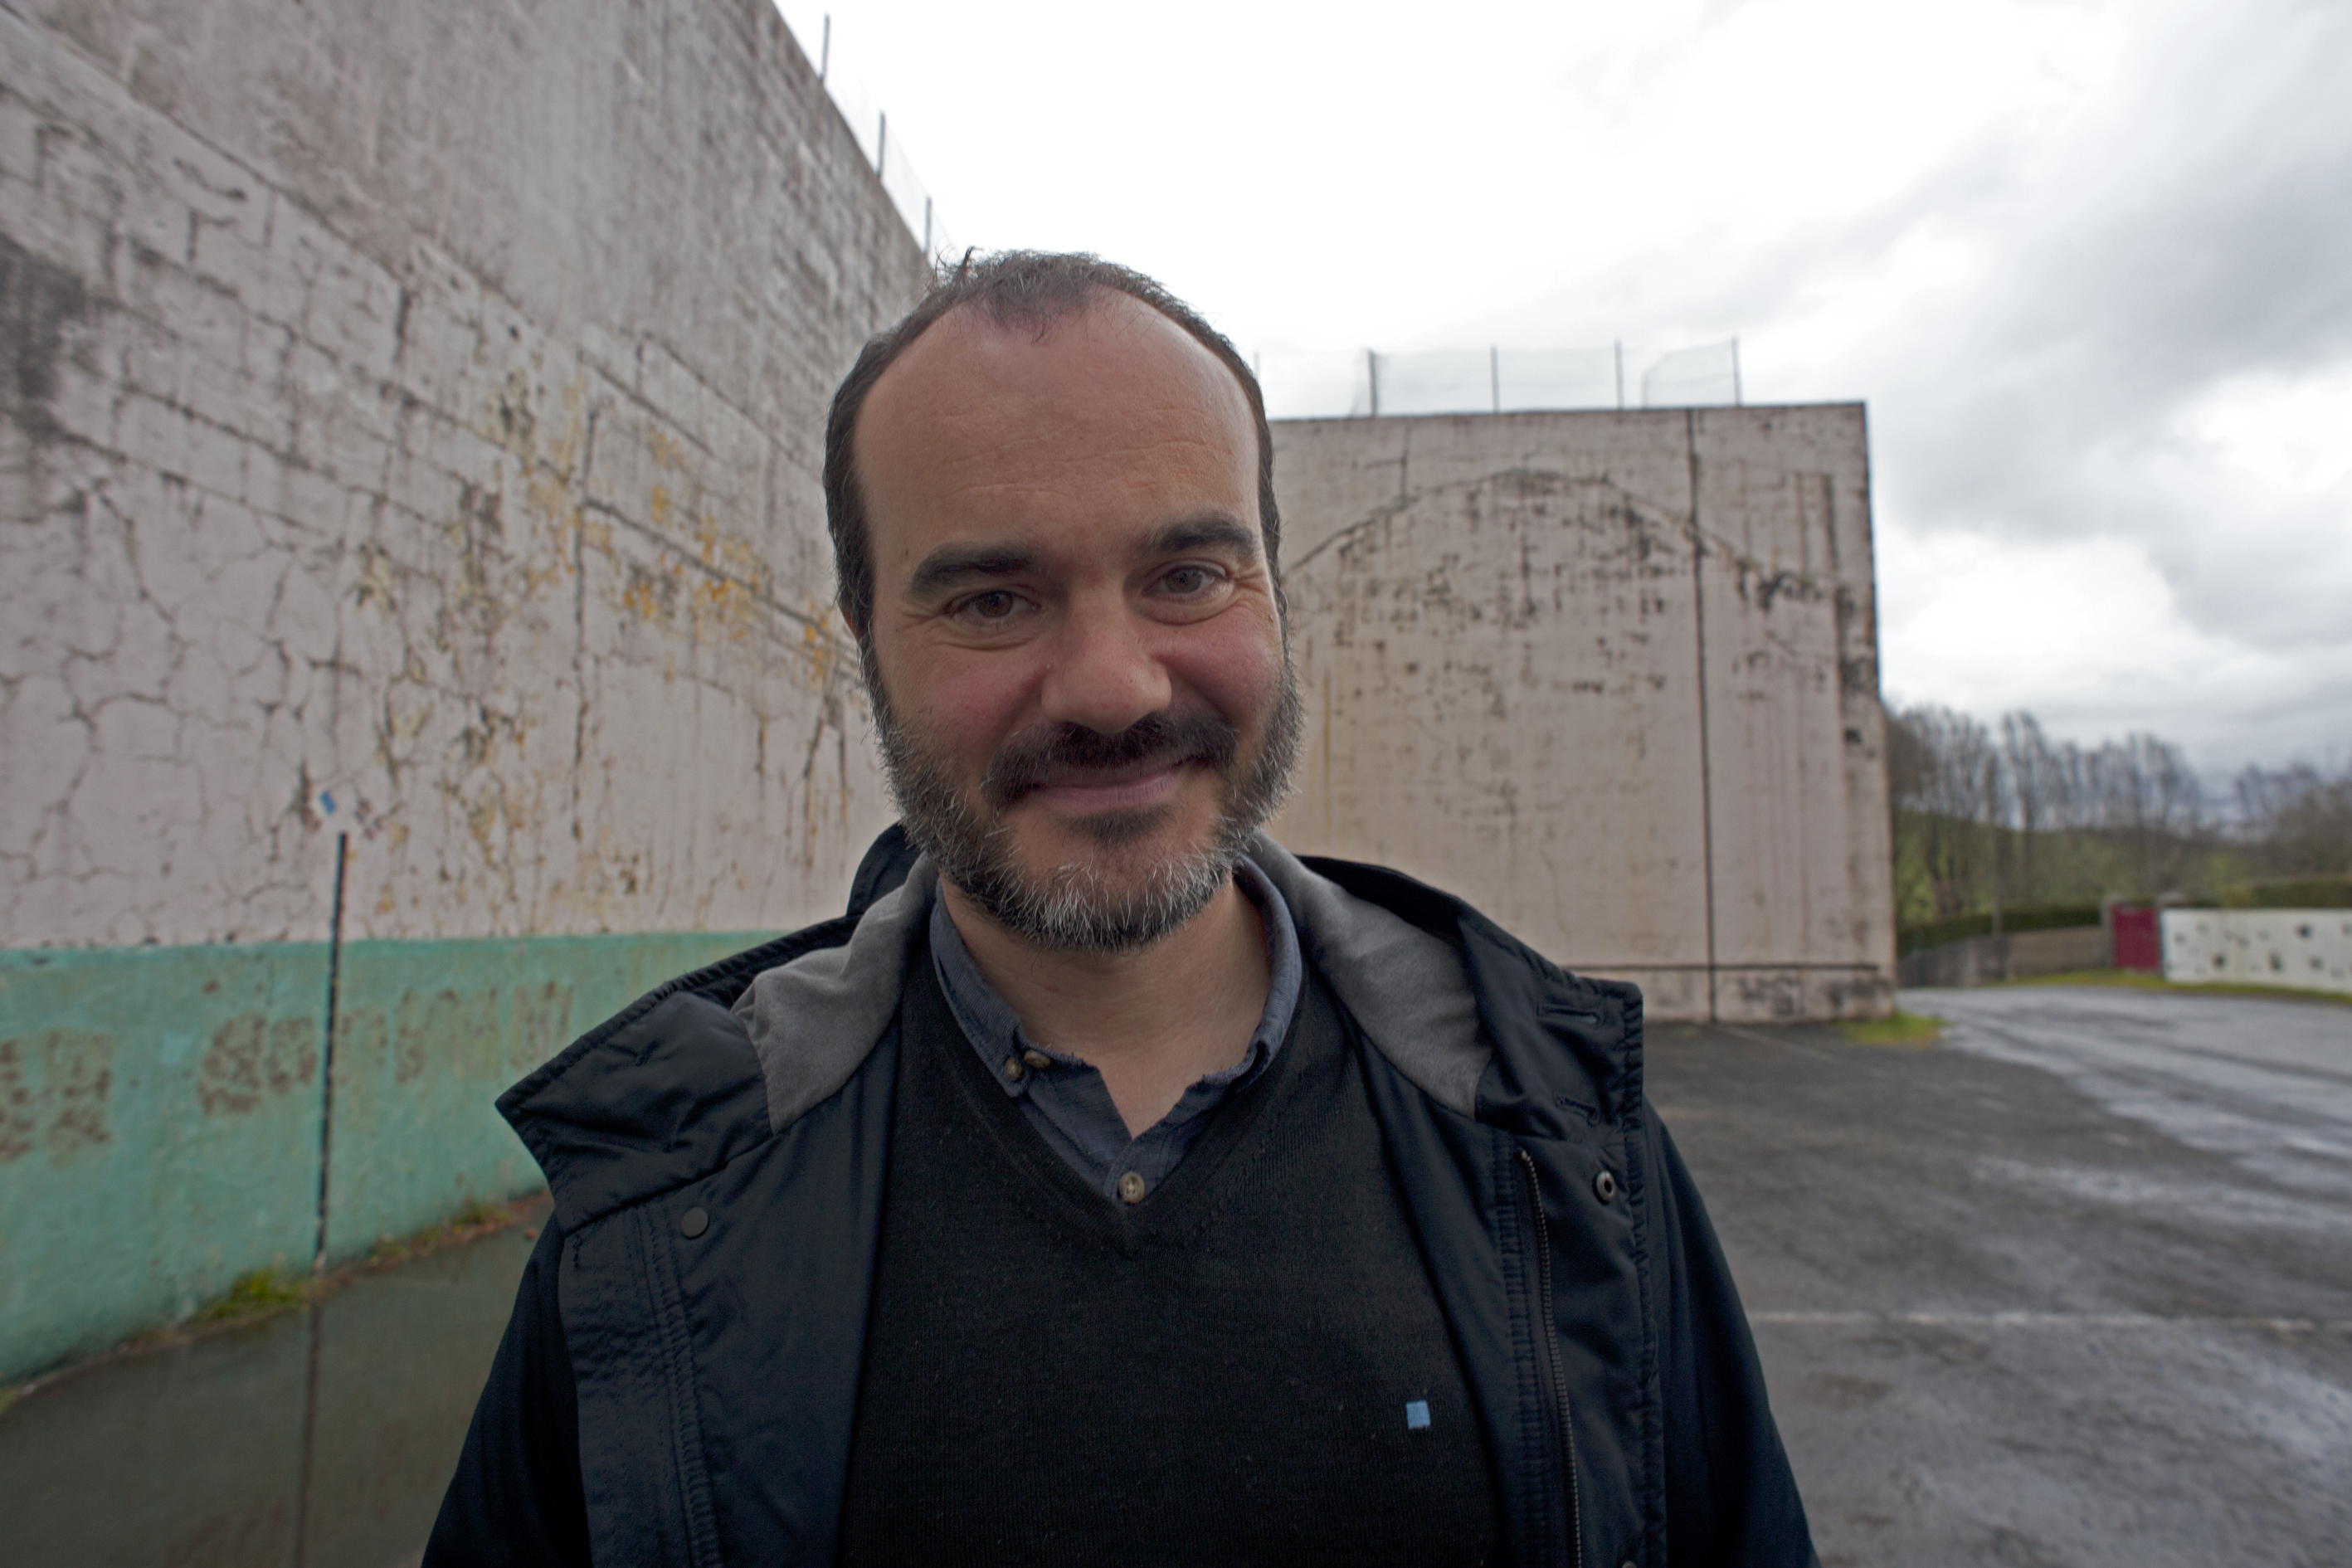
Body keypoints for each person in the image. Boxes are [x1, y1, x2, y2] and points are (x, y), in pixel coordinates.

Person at [426, 251, 1816, 1567]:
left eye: (1187, 576)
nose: (1115, 686)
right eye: (992, 598)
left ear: (1273, 590)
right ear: (863, 644)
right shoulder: (671, 1196)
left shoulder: (1566, 1129)